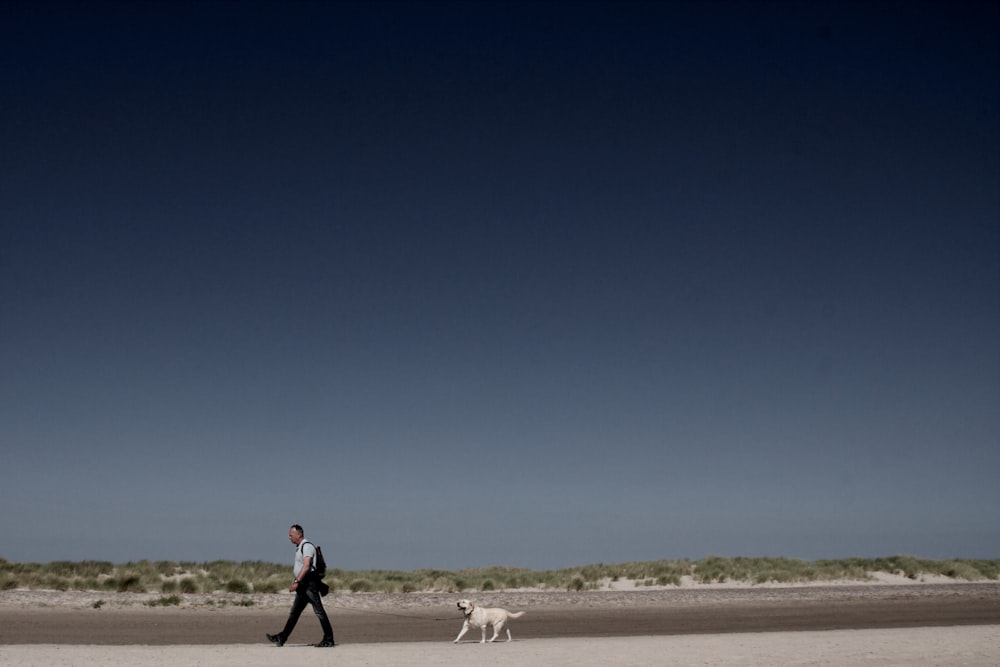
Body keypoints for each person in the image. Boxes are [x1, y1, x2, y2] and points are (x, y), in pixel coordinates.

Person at [266, 524, 335, 647]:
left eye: (291, 535)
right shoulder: (300, 547)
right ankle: (282, 637)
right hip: (304, 585)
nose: (289, 537)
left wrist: (296, 582)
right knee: (295, 612)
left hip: (309, 584)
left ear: (299, 535)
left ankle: (329, 639)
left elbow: (307, 566)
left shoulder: (307, 546)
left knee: (319, 612)